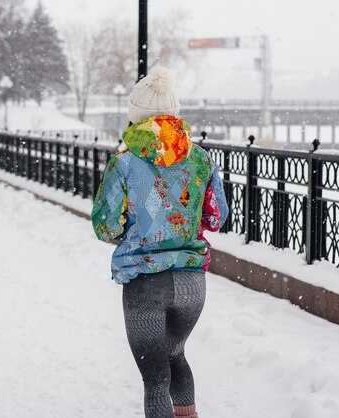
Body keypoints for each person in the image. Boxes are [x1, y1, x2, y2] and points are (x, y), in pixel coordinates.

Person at [91, 67, 228, 418]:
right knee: (175, 355)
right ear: (175, 113)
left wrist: (137, 232)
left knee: (154, 378)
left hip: (145, 282)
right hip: (192, 283)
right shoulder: (201, 160)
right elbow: (217, 218)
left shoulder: (123, 164)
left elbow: (106, 227)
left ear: (135, 117)